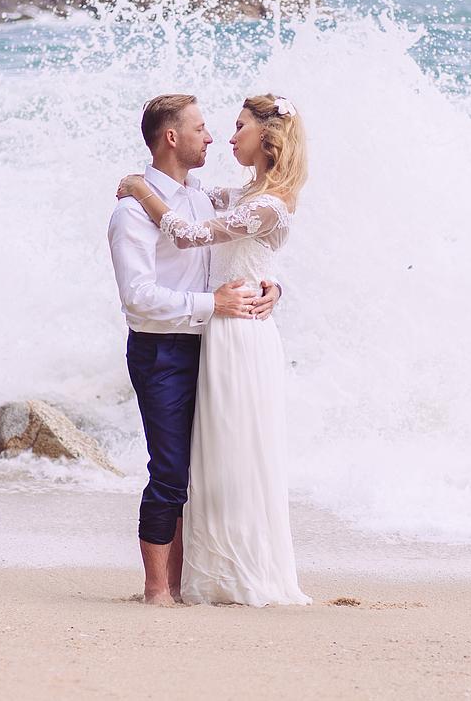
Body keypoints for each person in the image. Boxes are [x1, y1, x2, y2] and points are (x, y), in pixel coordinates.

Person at [116, 93, 311, 607]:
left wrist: (142, 189)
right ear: (173, 138)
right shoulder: (218, 196)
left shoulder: (227, 201)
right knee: (187, 469)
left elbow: (193, 237)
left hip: (225, 336)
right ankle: (165, 588)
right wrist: (254, 288)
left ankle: (231, 574)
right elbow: (140, 296)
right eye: (204, 128)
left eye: (234, 126)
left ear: (266, 139)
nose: (219, 137)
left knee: (229, 461)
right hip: (187, 340)